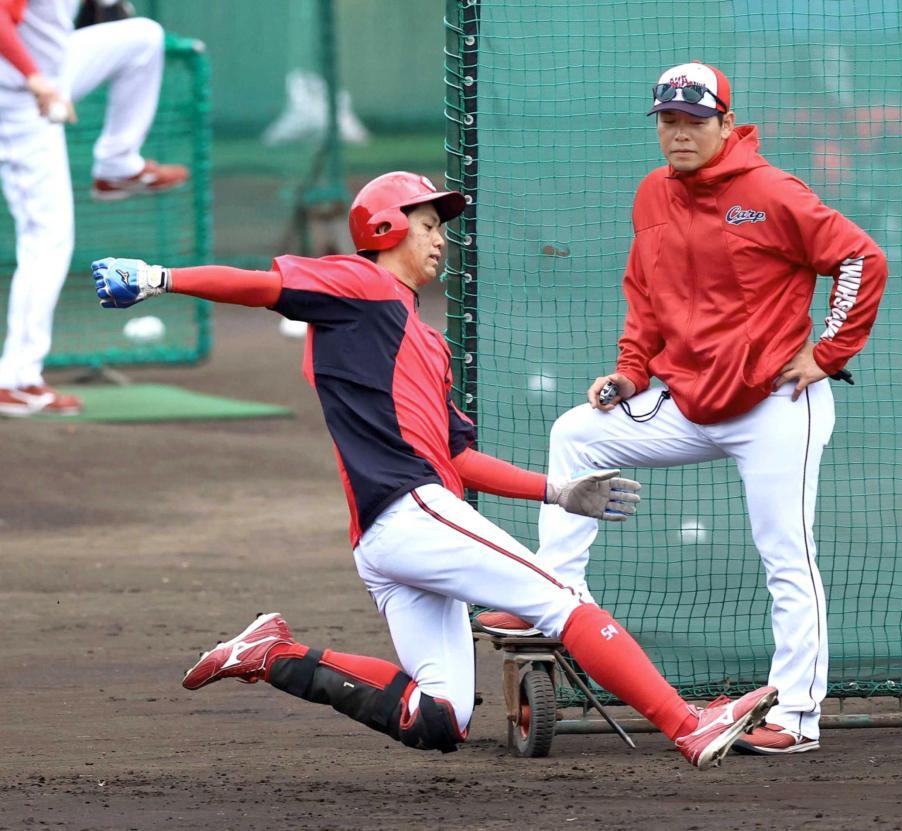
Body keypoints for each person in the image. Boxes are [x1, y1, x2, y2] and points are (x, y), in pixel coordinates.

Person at [91, 170, 777, 768]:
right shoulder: (359, 282)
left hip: (394, 535)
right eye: (426, 223)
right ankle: (689, 725)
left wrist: (560, 490)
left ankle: (272, 653)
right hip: (409, 510)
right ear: (386, 226)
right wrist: (161, 279)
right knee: (562, 600)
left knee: (439, 716)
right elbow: (265, 286)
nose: (439, 237)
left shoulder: (422, 338)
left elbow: (456, 457)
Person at [476, 62, 888, 755]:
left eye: (694, 120)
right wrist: (632, 371)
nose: (679, 133)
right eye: (668, 120)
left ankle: (798, 715)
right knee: (577, 433)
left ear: (727, 123)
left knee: (787, 555)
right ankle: (554, 594)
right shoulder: (652, 195)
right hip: (689, 398)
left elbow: (860, 259)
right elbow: (645, 291)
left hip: (776, 403)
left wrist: (829, 352)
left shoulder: (771, 191)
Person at [0, 0, 188, 417]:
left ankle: (118, 165)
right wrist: (34, 78)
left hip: (52, 68)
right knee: (46, 240)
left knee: (142, 37)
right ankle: (16, 380)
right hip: (18, 97)